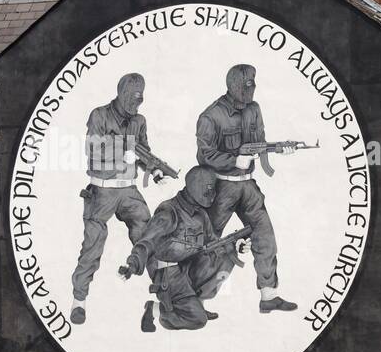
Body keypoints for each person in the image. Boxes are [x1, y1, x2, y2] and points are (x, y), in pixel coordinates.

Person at [196, 63, 297, 314]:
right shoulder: (211, 115)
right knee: (208, 243)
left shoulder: (254, 110)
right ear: (233, 87)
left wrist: (279, 148)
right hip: (221, 187)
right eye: (245, 87)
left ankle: (269, 295)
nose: (249, 92)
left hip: (248, 187)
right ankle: (195, 300)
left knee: (265, 237)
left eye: (252, 86)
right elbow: (204, 154)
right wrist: (233, 161)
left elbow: (259, 142)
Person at [72, 73, 153, 325]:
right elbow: (92, 150)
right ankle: (79, 301)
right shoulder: (100, 115)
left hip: (129, 190)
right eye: (131, 98)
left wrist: (154, 168)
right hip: (102, 190)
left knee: (150, 235)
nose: (135, 104)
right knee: (93, 243)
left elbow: (145, 151)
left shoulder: (139, 120)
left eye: (139, 99)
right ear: (121, 93)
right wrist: (123, 152)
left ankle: (166, 290)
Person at [119, 166, 241, 331]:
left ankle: (197, 303)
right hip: (169, 274)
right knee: (198, 320)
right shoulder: (169, 212)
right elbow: (147, 241)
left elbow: (213, 242)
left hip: (189, 267)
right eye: (208, 190)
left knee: (227, 252)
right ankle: (155, 309)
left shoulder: (201, 214)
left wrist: (235, 245)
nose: (212, 196)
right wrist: (132, 265)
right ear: (195, 187)